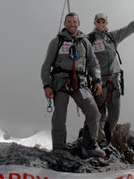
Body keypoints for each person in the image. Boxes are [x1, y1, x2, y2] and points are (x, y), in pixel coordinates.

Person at [87, 0, 134, 147]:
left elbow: (131, 27)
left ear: (107, 23)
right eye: (98, 21)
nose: (101, 24)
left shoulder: (113, 37)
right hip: (99, 82)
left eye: (103, 21)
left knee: (114, 114)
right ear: (94, 23)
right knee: (100, 113)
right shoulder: (88, 39)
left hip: (114, 81)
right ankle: (98, 142)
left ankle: (107, 142)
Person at [41, 12, 106, 158]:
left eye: (75, 22)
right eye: (69, 21)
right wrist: (46, 85)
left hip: (81, 83)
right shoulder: (56, 41)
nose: (72, 24)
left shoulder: (84, 42)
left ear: (79, 23)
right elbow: (46, 66)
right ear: (65, 24)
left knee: (93, 111)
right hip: (60, 82)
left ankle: (90, 145)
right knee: (59, 116)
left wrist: (97, 81)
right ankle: (59, 148)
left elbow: (94, 63)